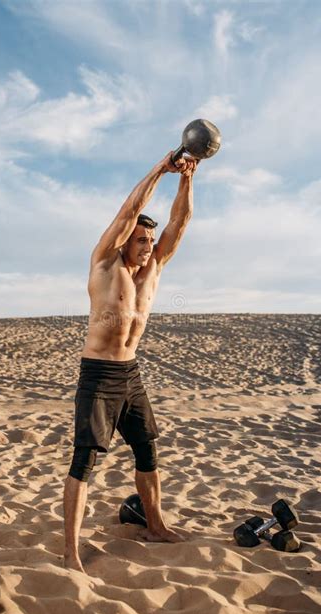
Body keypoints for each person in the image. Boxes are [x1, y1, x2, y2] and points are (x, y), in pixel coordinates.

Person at [63, 151, 197, 573]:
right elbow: (129, 210)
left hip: (131, 373)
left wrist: (187, 180)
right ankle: (70, 552)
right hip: (99, 373)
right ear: (125, 241)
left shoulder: (154, 267)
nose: (148, 246)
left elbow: (180, 224)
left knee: (147, 451)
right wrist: (161, 168)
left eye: (149, 242)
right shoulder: (105, 262)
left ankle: (155, 524)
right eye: (141, 240)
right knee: (84, 461)